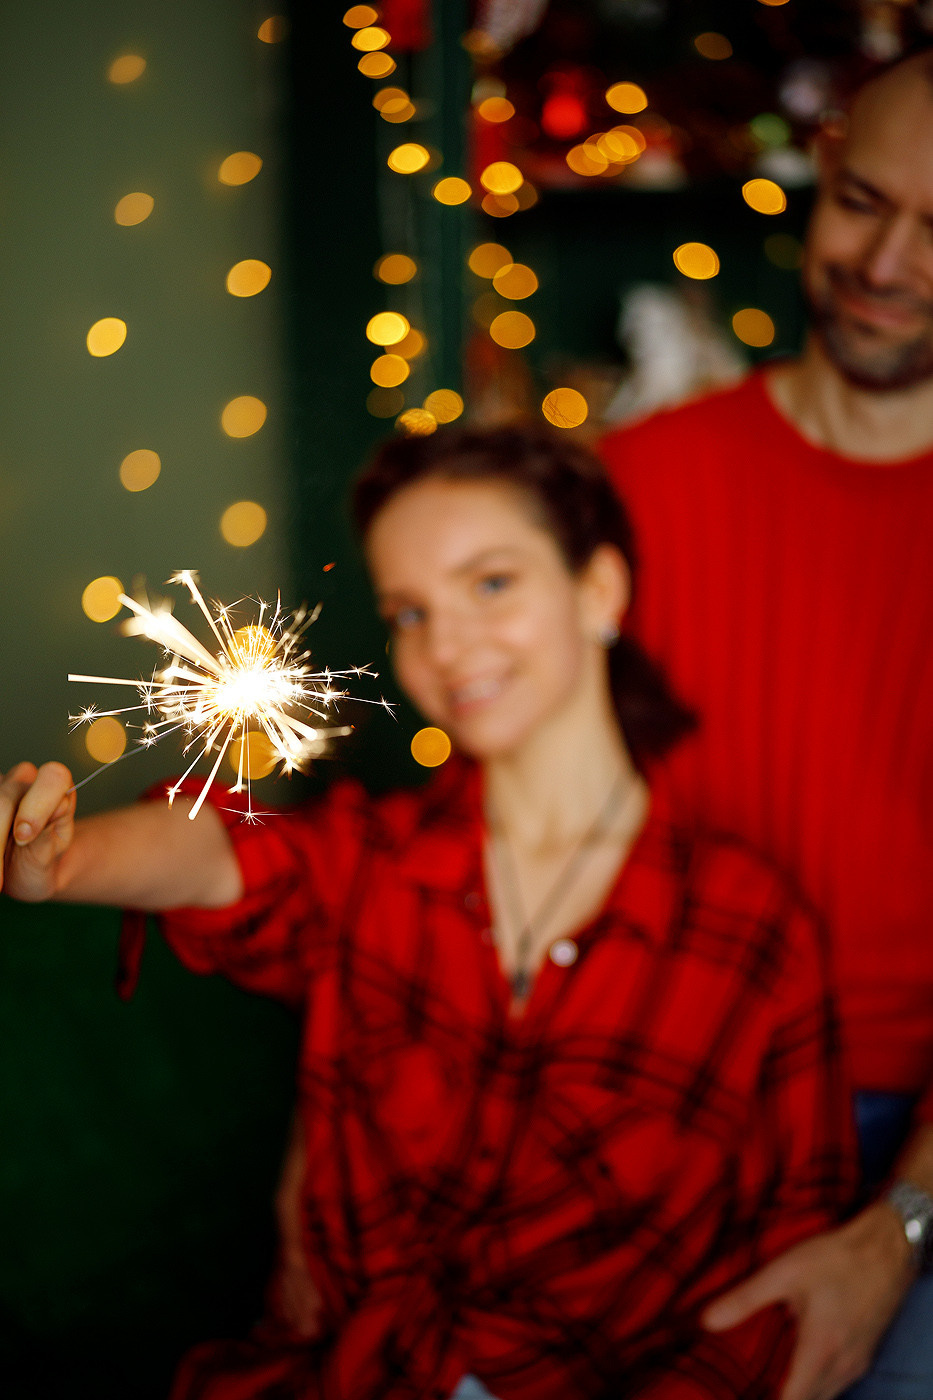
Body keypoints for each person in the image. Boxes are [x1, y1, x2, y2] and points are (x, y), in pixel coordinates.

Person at [1, 425, 854, 1399]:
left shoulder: (750, 929)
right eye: (410, 611)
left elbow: (785, 1277)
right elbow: (227, 852)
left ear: (599, 590)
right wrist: (62, 860)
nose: (446, 645)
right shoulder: (379, 860)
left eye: (491, 583)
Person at [600, 45, 933, 1400]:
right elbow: (489, 858)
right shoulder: (626, 490)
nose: (887, 260)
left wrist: (896, 1229)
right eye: (862, 201)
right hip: (659, 1097)